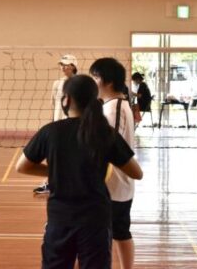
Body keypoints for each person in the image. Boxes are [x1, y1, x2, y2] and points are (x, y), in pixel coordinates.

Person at [16, 75, 143, 269]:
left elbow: (22, 166)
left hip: (60, 220)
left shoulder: (50, 131)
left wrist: (58, 169)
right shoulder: (104, 132)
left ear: (66, 99)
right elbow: (137, 173)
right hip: (96, 220)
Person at [90, 58, 137, 269]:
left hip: (112, 185)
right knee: (119, 232)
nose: (93, 81)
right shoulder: (113, 105)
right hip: (116, 185)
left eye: (95, 77)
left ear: (107, 81)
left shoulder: (115, 108)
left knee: (110, 234)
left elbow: (109, 146)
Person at [33, 54, 78, 195]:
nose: (63, 67)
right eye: (61, 64)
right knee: (54, 154)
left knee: (73, 155)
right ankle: (50, 183)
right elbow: (54, 104)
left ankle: (74, 182)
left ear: (73, 66)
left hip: (74, 125)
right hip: (58, 125)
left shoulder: (79, 83)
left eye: (66, 64)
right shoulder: (57, 84)